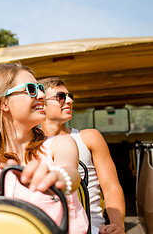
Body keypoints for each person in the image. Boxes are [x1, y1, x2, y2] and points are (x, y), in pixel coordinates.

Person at [0, 62, 88, 234]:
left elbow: (71, 173)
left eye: (40, 88)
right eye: (31, 89)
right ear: (2, 103)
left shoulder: (60, 144)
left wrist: (57, 178)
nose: (41, 94)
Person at [39, 77, 125, 234]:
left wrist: (117, 225)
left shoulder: (90, 137)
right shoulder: (30, 144)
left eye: (70, 96)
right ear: (41, 104)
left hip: (92, 228)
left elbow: (111, 187)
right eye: (60, 97)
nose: (69, 101)